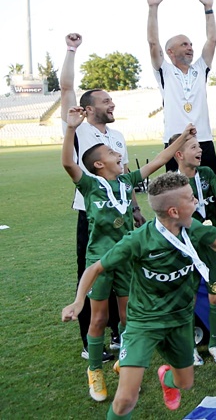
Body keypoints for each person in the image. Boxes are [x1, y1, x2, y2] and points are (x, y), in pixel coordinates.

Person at [61, 172, 216, 418]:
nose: (196, 201)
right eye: (190, 198)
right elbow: (95, 268)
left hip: (180, 321)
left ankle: (167, 379)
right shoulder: (138, 240)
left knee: (185, 383)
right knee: (125, 400)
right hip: (143, 323)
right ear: (174, 211)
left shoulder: (193, 228)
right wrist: (78, 300)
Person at [62, 107, 195, 402]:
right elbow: (68, 163)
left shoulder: (126, 181)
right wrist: (71, 128)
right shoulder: (90, 185)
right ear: (99, 164)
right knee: (99, 318)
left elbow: (160, 160)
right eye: (111, 153)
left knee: (127, 316)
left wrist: (184, 136)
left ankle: (125, 362)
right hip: (100, 259)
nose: (118, 153)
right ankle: (95, 370)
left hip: (127, 260)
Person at [60, 33, 140, 362]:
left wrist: (135, 208)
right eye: (106, 101)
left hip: (121, 214)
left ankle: (119, 334)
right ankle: (89, 340)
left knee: (122, 274)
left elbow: (125, 176)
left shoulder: (117, 136)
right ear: (90, 108)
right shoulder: (80, 129)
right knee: (92, 273)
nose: (112, 104)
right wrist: (71, 50)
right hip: (91, 214)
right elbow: (66, 87)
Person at [168, 132, 216, 365]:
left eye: (199, 146)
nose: (200, 150)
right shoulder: (171, 183)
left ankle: (215, 344)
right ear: (179, 154)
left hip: (212, 246)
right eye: (194, 147)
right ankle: (189, 347)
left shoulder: (206, 173)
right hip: (184, 249)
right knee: (188, 299)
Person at [141, 0, 216, 175]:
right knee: (177, 188)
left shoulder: (200, 68)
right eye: (184, 44)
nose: (190, 47)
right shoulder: (165, 71)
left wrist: (208, 9)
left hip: (203, 139)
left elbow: (212, 40)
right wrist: (153, 8)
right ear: (170, 51)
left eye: (191, 44)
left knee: (210, 188)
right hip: (175, 141)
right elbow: (153, 42)